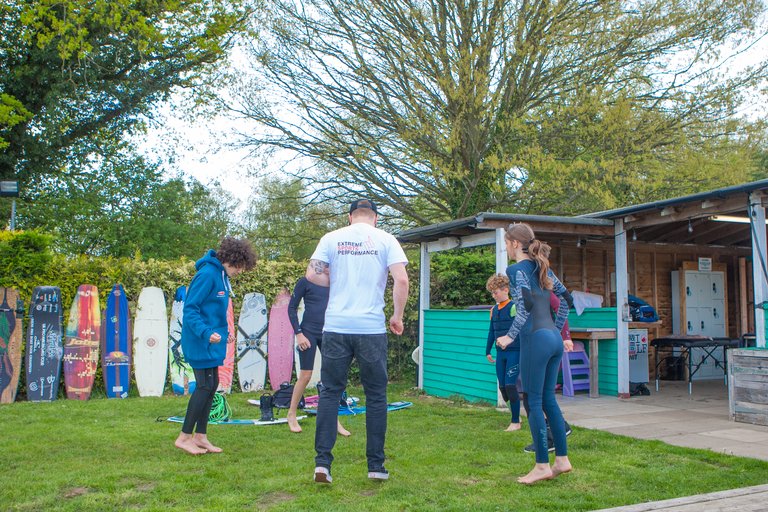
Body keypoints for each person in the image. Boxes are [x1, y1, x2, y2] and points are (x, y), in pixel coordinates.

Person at [306, 198, 409, 484]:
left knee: (329, 393)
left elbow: (312, 274)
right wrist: (397, 316)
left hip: (336, 326)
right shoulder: (386, 239)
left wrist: (336, 281)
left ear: (350, 217)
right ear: (375, 218)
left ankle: (322, 464)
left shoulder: (331, 238)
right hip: (370, 328)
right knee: (376, 396)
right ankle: (376, 466)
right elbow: (401, 281)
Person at [497, 223, 573, 484]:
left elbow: (524, 306)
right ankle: (561, 460)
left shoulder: (515, 269)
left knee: (533, 401)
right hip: (552, 338)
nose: (506, 248)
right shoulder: (543, 267)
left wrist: (510, 335)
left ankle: (541, 465)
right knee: (549, 399)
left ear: (515, 244)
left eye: (507, 243)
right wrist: (559, 327)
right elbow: (566, 300)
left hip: (535, 340)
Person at [174, 237, 257, 455]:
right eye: (240, 267)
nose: (241, 272)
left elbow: (214, 312)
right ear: (232, 260)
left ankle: (201, 436)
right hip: (199, 340)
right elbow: (190, 310)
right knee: (203, 386)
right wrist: (206, 333)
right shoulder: (207, 275)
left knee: (212, 385)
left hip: (212, 341)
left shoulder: (220, 276)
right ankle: (184, 437)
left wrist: (223, 333)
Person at [286, 276, 350, 437]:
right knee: (305, 375)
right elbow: (291, 308)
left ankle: (333, 420)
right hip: (308, 333)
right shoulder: (305, 281)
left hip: (329, 332)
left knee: (332, 378)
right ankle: (291, 414)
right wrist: (299, 334)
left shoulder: (336, 281)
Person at [522, 291, 574, 454]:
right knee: (534, 398)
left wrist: (564, 335)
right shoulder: (527, 291)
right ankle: (554, 434)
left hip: (543, 345)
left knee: (536, 398)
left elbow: (560, 306)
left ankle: (548, 440)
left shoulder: (541, 291)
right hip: (533, 344)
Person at [484, 273, 521, 432]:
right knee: (503, 387)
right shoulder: (493, 310)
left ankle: (515, 422)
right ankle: (516, 413)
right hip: (500, 353)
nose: (493, 295)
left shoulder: (514, 306)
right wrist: (488, 350)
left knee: (510, 385)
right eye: (491, 293)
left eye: (496, 292)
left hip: (514, 351)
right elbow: (492, 331)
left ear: (505, 290)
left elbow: (520, 327)